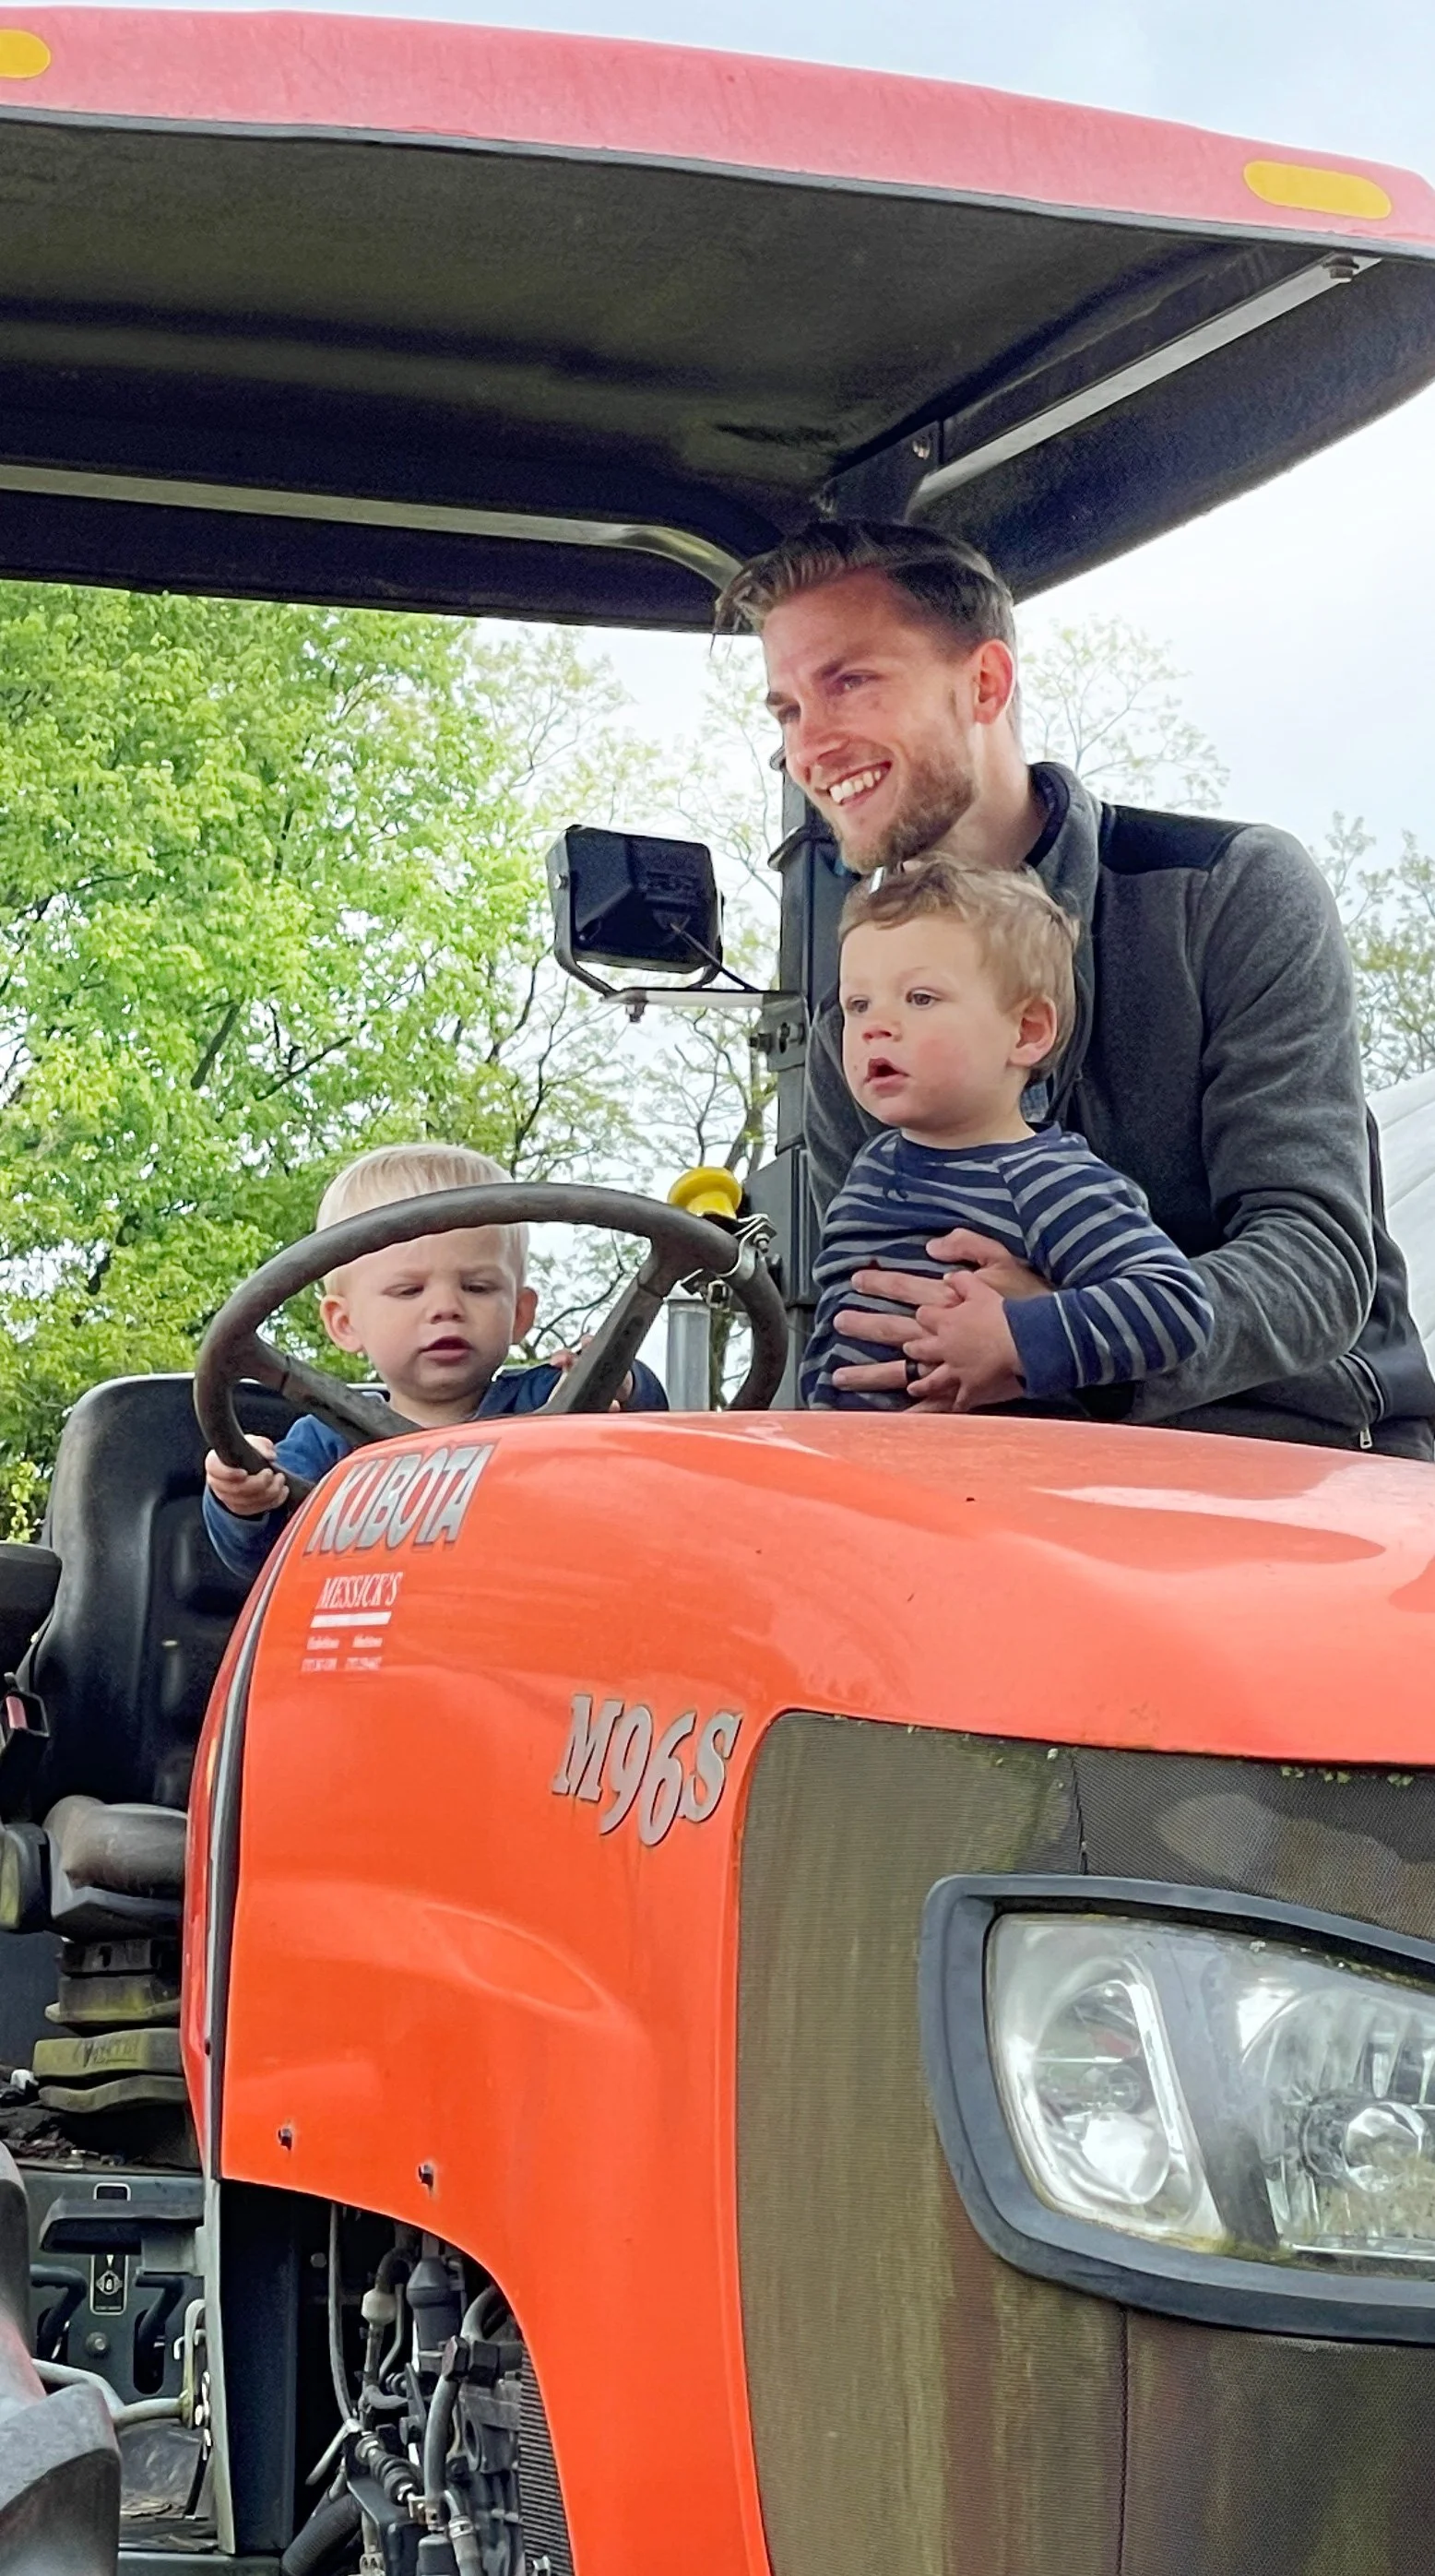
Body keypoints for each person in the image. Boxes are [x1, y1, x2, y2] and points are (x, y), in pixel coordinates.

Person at [718, 519, 1435, 1457]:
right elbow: (868, 1312)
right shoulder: (853, 1024)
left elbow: (1311, 1264)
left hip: (1287, 1466)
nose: (809, 746)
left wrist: (1062, 1347)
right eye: (785, 711)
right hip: (992, 1481)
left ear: (983, 683)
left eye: (848, 682)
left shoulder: (1223, 893)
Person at [803, 857, 1213, 1411]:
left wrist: (1015, 1340)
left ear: (1026, 1031)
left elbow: (1173, 1303)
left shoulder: (1047, 1180)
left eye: (920, 998)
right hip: (851, 1469)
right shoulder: (871, 1167)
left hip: (989, 1477)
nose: (876, 1025)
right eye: (858, 1003)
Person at [202, 1143, 666, 1580]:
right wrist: (243, 1502)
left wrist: (617, 1383)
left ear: (520, 1313)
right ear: (345, 1324)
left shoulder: (555, 1402)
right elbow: (262, 1557)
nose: (446, 1307)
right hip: (379, 1637)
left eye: (478, 1287)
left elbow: (654, 1448)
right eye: (409, 1290)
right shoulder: (327, 1444)